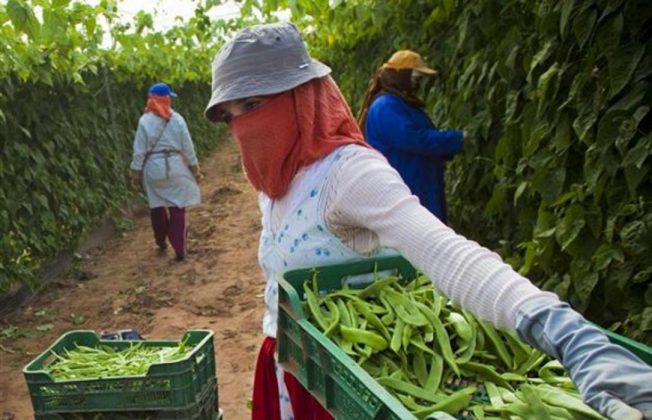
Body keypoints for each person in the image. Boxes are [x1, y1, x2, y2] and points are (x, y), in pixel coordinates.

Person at [204, 23, 652, 420]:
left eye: (254, 104)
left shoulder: (347, 174)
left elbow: (447, 252)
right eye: (231, 114)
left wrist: (562, 331)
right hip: (287, 360)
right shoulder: (276, 176)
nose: (242, 125)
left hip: (346, 389)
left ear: (300, 97)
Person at [357, 50, 465, 223]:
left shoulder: (399, 104)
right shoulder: (385, 106)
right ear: (402, 77)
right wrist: (458, 139)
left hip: (419, 190)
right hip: (407, 194)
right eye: (415, 78)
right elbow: (414, 139)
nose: (417, 84)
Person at [130, 82, 202, 261]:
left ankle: (161, 241)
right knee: (178, 207)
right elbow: (188, 147)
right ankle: (179, 248)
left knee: (157, 205)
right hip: (175, 165)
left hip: (153, 168)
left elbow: (139, 151)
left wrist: (135, 174)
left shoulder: (144, 120)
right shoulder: (177, 119)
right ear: (167, 99)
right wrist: (195, 169)